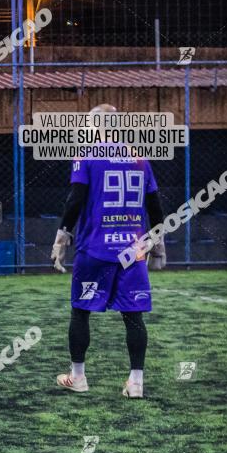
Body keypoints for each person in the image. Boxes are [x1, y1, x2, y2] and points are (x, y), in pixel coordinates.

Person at [51, 104, 166, 398]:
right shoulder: (140, 159)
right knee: (133, 316)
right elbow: (154, 204)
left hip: (95, 249)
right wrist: (159, 242)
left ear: (94, 127)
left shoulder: (87, 157)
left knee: (80, 312)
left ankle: (78, 378)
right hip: (133, 250)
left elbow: (75, 200)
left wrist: (62, 235)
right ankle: (136, 383)